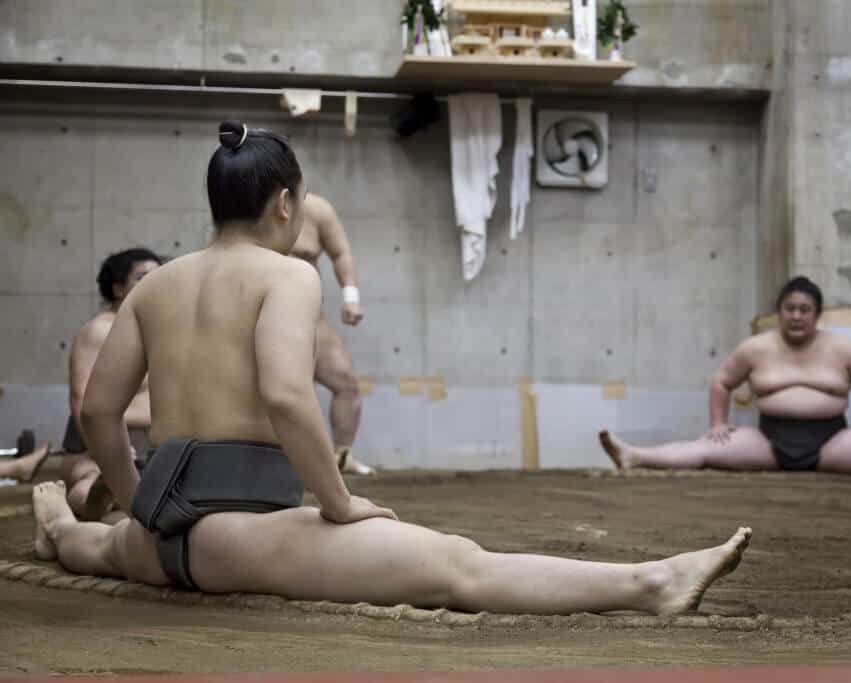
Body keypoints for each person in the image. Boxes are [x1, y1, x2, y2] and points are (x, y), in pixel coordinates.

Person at [31, 120, 751, 615]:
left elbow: (97, 410)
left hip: (159, 536)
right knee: (458, 566)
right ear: (285, 204)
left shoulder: (155, 286)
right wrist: (338, 502)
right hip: (238, 534)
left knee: (89, 544)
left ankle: (53, 522)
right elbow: (286, 396)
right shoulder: (286, 275)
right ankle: (651, 582)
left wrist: (142, 504)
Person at [600, 276, 851, 480]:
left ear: (817, 314)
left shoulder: (843, 348)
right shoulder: (756, 348)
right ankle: (634, 456)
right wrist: (718, 423)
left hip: (832, 441)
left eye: (804, 309)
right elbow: (722, 382)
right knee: (705, 449)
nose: (796, 316)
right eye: (789, 308)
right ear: (780, 312)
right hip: (768, 442)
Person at [62, 248, 161, 519]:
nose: (154, 284)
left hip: (150, 442)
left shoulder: (158, 328)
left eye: (159, 277)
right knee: (88, 479)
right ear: (118, 288)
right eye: (142, 278)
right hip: (102, 439)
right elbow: (81, 398)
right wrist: (105, 450)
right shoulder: (101, 330)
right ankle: (94, 494)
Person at [290, 192, 374, 475]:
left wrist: (351, 298)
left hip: (309, 314)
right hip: (257, 315)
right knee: (283, 392)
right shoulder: (248, 205)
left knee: (346, 383)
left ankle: (342, 455)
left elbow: (340, 252)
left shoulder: (316, 209)